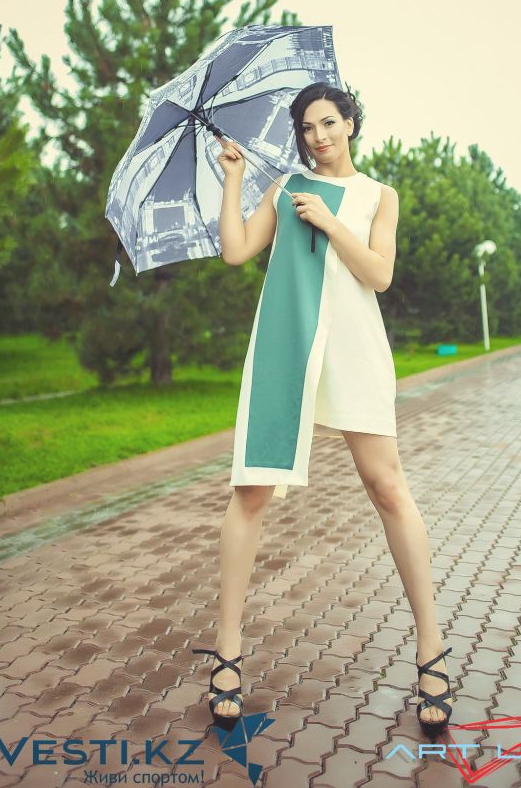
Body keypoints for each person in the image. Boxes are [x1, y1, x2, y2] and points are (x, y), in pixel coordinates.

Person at [192, 82, 454, 739]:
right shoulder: (284, 189)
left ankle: (431, 651)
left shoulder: (379, 195)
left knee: (387, 487)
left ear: (351, 123)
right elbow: (235, 251)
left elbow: (379, 274)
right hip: (286, 345)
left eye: (329, 122)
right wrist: (234, 181)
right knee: (251, 491)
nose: (318, 137)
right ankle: (226, 656)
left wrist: (331, 222)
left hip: (354, 348)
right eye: (307, 127)